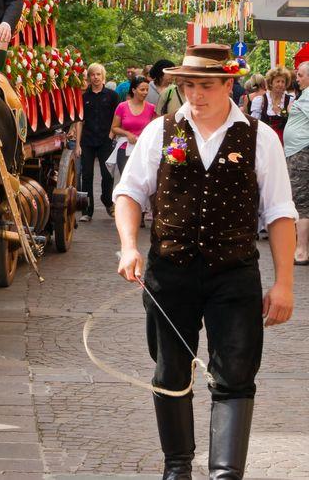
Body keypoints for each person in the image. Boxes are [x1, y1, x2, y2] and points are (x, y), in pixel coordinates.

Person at [114, 43, 296, 480]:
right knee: (171, 370)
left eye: (206, 85)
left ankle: (225, 474)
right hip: (169, 273)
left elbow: (279, 213)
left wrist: (284, 282)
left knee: (235, 372)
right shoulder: (161, 132)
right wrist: (128, 245)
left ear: (228, 84)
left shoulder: (260, 137)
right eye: (188, 85)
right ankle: (177, 467)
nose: (196, 94)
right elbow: (129, 193)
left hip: (234, 274)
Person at [74, 63, 119, 221]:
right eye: (93, 75)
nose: (96, 77)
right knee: (86, 176)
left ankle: (107, 200)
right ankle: (87, 211)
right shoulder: (83, 97)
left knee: (107, 175)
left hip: (105, 141)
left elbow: (117, 117)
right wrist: (78, 144)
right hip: (87, 141)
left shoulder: (112, 96)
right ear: (89, 77)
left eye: (98, 74)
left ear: (103, 76)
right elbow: (80, 121)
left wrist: (112, 134)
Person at [284, 61, 309, 266]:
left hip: (301, 153)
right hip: (297, 152)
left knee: (300, 201)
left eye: (300, 75)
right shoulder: (303, 96)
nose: (297, 78)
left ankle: (302, 251)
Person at [111, 76, 156, 177]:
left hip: (143, 149)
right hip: (124, 148)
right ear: (134, 90)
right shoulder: (122, 106)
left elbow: (153, 130)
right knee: (126, 178)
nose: (145, 92)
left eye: (147, 90)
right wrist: (127, 134)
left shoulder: (151, 108)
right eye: (142, 89)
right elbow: (114, 128)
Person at [250, 66, 295, 143]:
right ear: (271, 83)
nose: (280, 84)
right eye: (277, 81)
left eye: (283, 82)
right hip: (265, 141)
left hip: (285, 143)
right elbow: (254, 124)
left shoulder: (290, 100)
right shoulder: (261, 100)